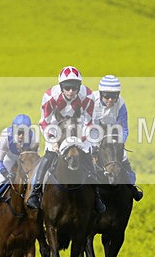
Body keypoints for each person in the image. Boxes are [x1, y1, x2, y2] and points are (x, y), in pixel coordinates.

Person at [26, 65, 105, 212]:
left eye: (74, 88)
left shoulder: (87, 96)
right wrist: (52, 140)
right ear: (61, 86)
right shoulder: (50, 96)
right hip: (56, 128)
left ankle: (97, 196)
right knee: (47, 158)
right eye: (67, 88)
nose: (71, 91)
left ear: (79, 87)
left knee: (88, 160)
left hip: (79, 128)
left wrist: (81, 140)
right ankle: (35, 193)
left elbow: (89, 121)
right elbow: (45, 121)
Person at [91, 75, 143, 201]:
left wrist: (118, 143)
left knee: (124, 160)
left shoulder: (121, 104)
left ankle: (131, 187)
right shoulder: (92, 101)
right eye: (107, 96)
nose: (110, 100)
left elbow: (124, 129)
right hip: (92, 136)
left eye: (114, 96)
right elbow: (87, 125)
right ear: (101, 94)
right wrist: (95, 145)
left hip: (112, 138)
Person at [0, 114, 40, 199]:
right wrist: (4, 172)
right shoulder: (5, 135)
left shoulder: (34, 138)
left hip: (26, 160)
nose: (21, 136)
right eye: (19, 133)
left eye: (24, 133)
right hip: (9, 158)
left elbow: (35, 161)